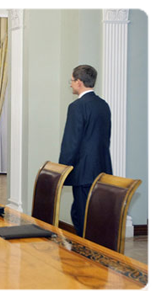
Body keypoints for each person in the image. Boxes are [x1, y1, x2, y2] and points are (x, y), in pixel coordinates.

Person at [59, 65, 113, 237]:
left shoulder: (76, 107)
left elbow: (71, 143)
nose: (71, 84)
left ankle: (85, 258)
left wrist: (63, 170)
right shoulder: (103, 105)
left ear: (79, 82)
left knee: (81, 216)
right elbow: (105, 139)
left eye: (72, 81)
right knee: (96, 216)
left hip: (83, 172)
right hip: (101, 171)